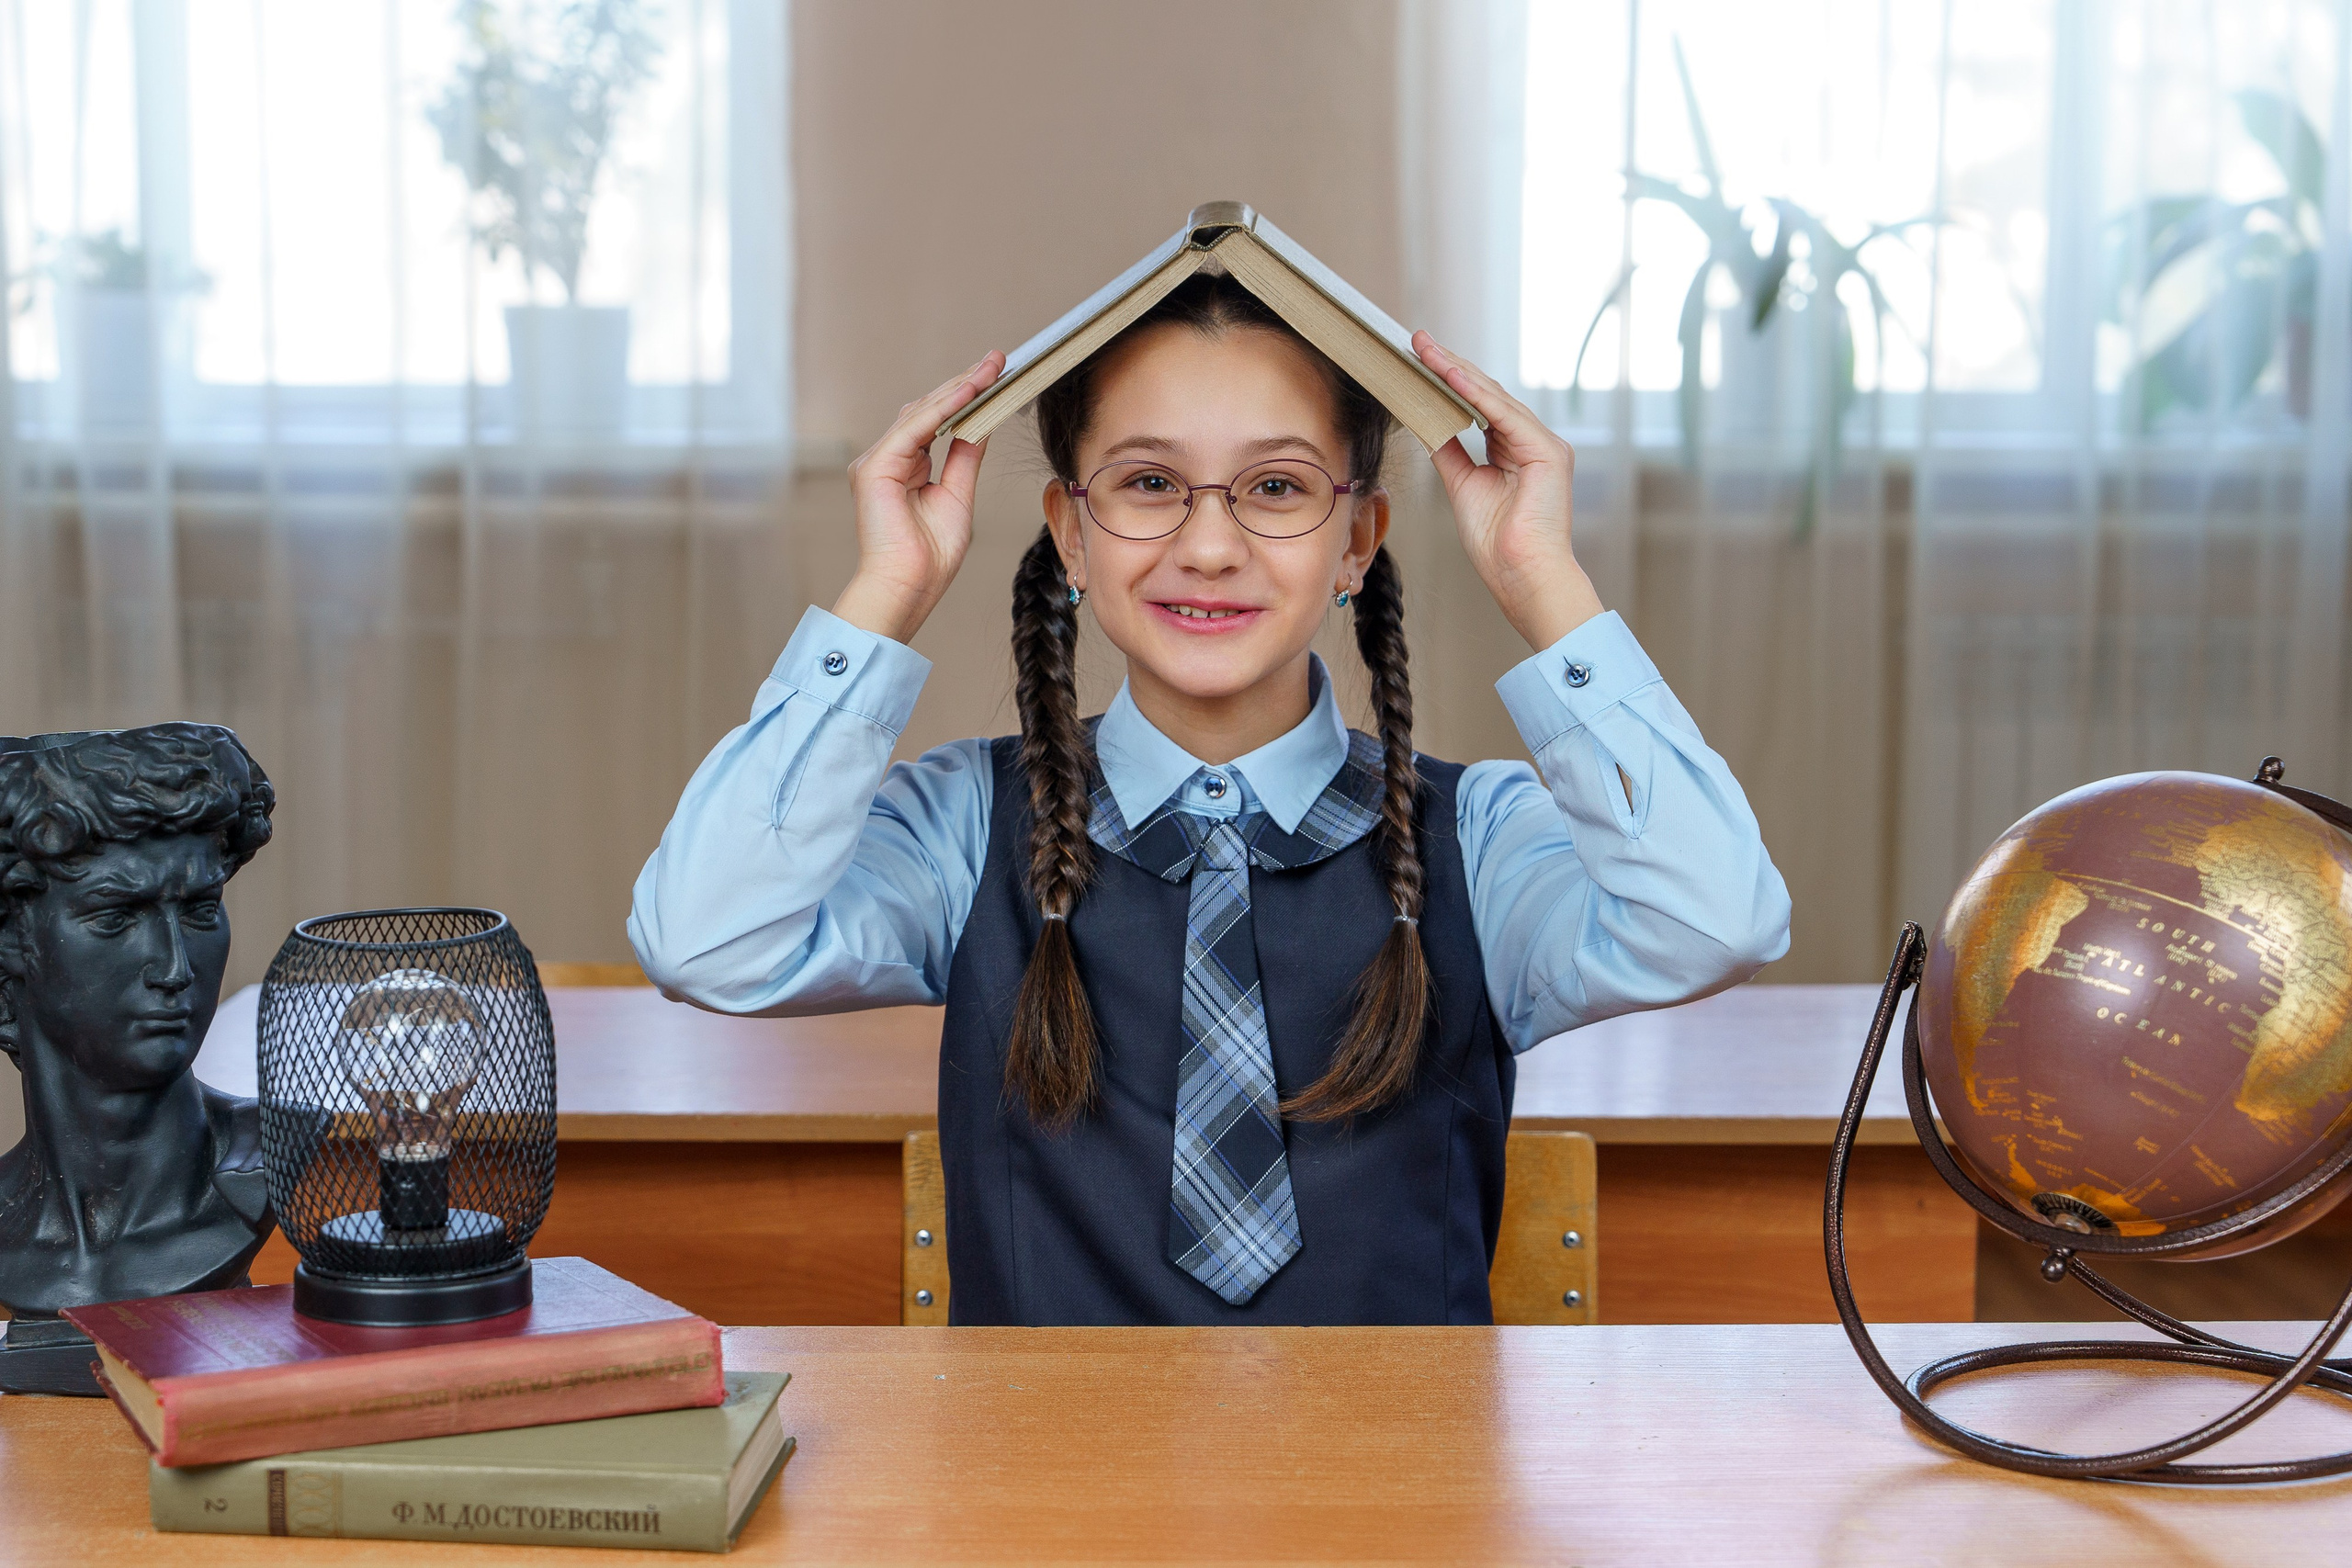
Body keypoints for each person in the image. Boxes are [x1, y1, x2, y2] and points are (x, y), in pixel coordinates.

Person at [630, 273, 1790, 1325]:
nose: (1210, 545)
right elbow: (710, 942)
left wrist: (1546, 584)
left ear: (1357, 543)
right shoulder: (964, 825)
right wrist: (887, 588)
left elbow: (1711, 920)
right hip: (1037, 1511)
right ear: (1070, 538)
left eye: (1276, 487)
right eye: (1148, 485)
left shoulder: (1474, 840)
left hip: (1402, 1517)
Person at [0, 724, 277, 1327]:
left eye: (201, 909)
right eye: (116, 916)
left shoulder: (268, 1162)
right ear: (13, 940)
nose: (176, 967)